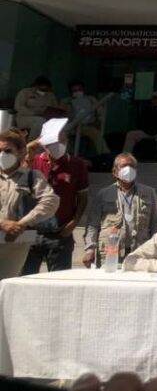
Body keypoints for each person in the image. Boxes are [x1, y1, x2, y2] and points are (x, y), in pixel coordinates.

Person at [23, 132, 89, 273]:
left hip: (61, 233)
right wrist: (29, 147)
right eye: (54, 141)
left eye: (63, 140)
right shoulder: (33, 161)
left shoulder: (78, 164)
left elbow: (83, 196)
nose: (59, 144)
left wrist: (75, 222)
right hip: (31, 232)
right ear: (44, 144)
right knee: (25, 278)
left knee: (59, 279)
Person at [83, 153, 157, 267]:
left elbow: (156, 223)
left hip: (140, 251)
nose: (128, 169)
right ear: (114, 171)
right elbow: (92, 225)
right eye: (124, 166)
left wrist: (156, 249)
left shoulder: (149, 193)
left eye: (131, 166)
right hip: (110, 251)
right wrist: (90, 249)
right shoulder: (103, 194)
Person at [0, 129, 59, 278]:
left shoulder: (32, 176)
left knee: (6, 286)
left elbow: (51, 201)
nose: (2, 155)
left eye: (7, 151)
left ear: (20, 152)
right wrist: (2, 224)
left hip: (13, 246)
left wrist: (22, 224)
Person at [123, 91, 157, 161]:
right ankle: (125, 157)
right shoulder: (147, 110)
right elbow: (141, 122)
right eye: (153, 99)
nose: (155, 101)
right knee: (131, 134)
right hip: (146, 132)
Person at [64, 80, 110, 155]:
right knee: (63, 135)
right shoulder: (66, 101)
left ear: (83, 90)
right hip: (72, 127)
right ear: (71, 92)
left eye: (79, 89)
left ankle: (106, 155)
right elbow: (62, 115)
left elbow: (100, 112)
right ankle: (68, 156)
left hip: (88, 126)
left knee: (96, 134)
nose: (77, 92)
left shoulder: (91, 99)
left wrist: (98, 121)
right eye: (74, 90)